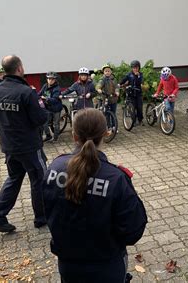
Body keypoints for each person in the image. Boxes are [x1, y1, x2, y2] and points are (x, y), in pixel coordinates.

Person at [43, 109, 147, 282]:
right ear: (106, 134)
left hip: (68, 265)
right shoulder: (116, 178)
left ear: (74, 136)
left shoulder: (54, 168)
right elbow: (133, 231)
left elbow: (48, 210)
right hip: (107, 266)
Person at [0, 55, 49, 232]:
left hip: (9, 146)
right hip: (29, 146)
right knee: (39, 179)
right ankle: (41, 217)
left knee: (14, 178)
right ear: (20, 69)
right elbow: (40, 119)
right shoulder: (26, 92)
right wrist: (42, 105)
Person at [39, 72, 63, 142]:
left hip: (56, 108)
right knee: (45, 122)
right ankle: (48, 136)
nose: (50, 80)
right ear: (47, 79)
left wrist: (45, 99)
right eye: (49, 79)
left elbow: (55, 99)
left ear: (55, 80)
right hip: (48, 108)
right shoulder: (45, 86)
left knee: (56, 124)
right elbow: (40, 93)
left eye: (52, 79)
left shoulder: (57, 88)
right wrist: (35, 96)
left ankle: (55, 138)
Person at [120, 60, 144, 126]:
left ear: (139, 68)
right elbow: (124, 79)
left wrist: (138, 76)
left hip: (139, 93)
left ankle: (140, 120)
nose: (135, 69)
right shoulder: (129, 74)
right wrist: (119, 84)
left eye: (136, 68)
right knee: (132, 107)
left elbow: (141, 82)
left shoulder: (140, 74)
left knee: (139, 107)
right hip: (131, 93)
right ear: (132, 68)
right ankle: (134, 119)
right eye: (134, 68)